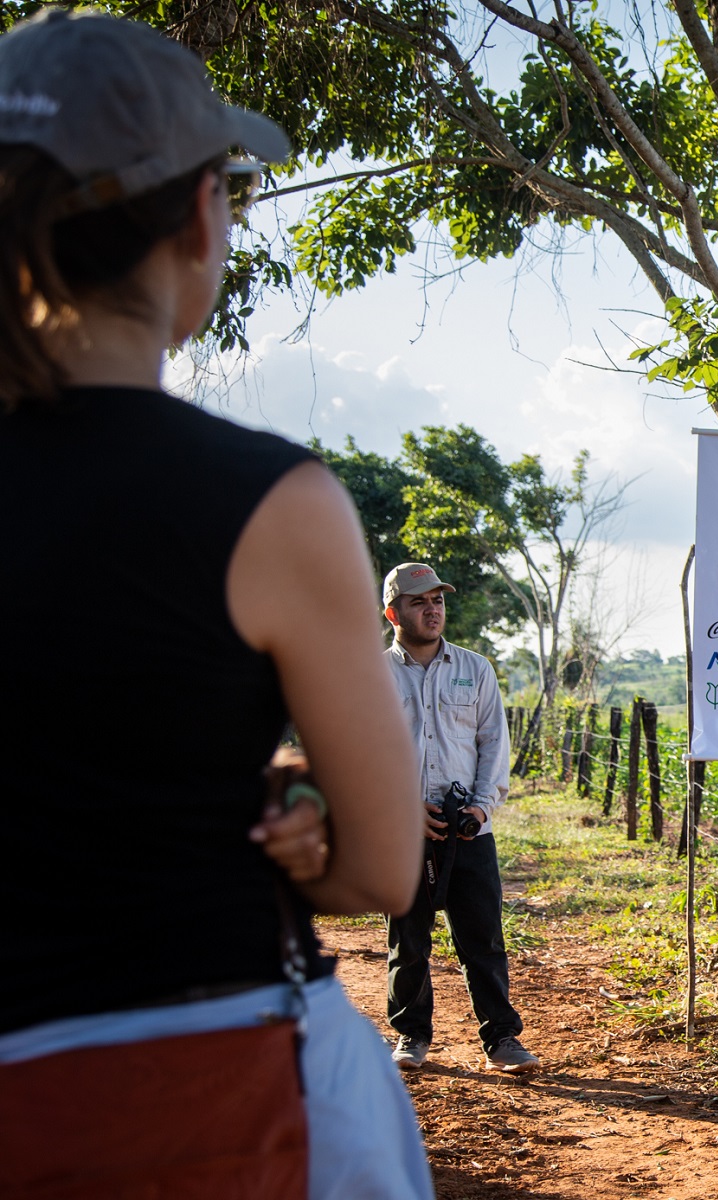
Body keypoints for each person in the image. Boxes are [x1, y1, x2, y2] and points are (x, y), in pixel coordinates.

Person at [0, 11, 431, 1196]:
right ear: (201, 220)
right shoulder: (270, 505)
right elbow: (381, 873)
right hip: (196, 1086)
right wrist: (280, 804)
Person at [384, 563, 541, 1074]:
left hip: (469, 827)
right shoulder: (370, 675)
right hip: (404, 832)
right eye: (418, 602)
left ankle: (502, 1040)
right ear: (393, 612)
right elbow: (360, 752)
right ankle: (411, 1036)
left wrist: (480, 804)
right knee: (408, 940)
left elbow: (494, 742)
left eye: (438, 600)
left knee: (483, 939)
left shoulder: (475, 669)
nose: (432, 610)